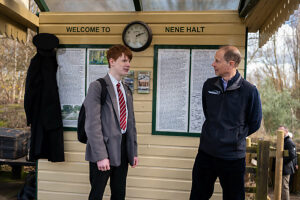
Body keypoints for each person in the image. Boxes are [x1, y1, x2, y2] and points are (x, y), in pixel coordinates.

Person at [190, 46, 262, 200]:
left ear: (231, 64)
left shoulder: (249, 91)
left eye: (217, 61)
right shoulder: (209, 85)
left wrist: (235, 136)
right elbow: (208, 113)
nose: (213, 64)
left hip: (233, 158)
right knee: (197, 196)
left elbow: (255, 122)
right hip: (206, 154)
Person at [84, 44, 138, 200]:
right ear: (112, 61)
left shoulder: (126, 89)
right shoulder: (98, 86)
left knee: (119, 194)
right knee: (96, 195)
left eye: (129, 61)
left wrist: (133, 151)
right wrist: (101, 156)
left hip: (122, 151)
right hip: (103, 150)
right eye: (124, 61)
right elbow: (92, 125)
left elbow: (131, 123)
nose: (128, 64)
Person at [278, 126, 297, 200]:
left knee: (284, 186)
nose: (279, 133)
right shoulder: (282, 140)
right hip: (282, 167)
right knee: (281, 186)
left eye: (281, 131)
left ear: (286, 132)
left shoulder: (289, 141)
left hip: (286, 168)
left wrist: (282, 161)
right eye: (278, 131)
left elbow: (293, 155)